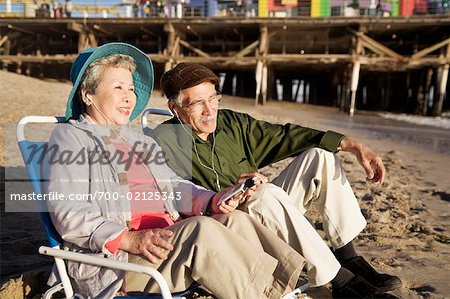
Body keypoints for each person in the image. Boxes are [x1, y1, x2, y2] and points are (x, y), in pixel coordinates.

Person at [41, 43, 306, 298]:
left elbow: (174, 186)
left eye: (131, 88)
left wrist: (212, 199)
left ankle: (286, 288)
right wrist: (129, 240)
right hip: (120, 262)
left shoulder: (139, 141)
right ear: (88, 94)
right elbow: (68, 211)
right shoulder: (70, 137)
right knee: (201, 230)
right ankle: (268, 294)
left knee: (234, 219)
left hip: (165, 242)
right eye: (118, 87)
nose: (128, 97)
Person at [151, 63, 403, 298]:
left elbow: (286, 136)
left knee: (320, 156)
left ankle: (349, 258)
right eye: (197, 103)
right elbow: (176, 199)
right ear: (175, 108)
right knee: (265, 193)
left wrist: (353, 146)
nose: (209, 110)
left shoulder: (231, 123)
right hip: (229, 229)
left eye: (213, 98)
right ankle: (340, 282)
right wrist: (229, 195)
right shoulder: (162, 140)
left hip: (269, 213)